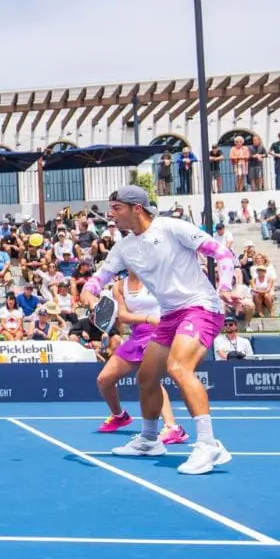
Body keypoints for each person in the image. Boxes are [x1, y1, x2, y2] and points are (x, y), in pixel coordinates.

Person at [81, 186, 240, 475]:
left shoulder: (172, 227)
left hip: (201, 307)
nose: (111, 214)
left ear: (136, 208)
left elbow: (222, 253)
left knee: (178, 367)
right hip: (169, 315)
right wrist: (89, 294)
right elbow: (97, 279)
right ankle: (150, 439)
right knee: (147, 377)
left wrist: (226, 287)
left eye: (116, 208)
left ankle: (208, 445)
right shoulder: (123, 248)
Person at [94, 272, 187, 445]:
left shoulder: (157, 278)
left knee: (150, 379)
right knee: (104, 380)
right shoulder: (119, 286)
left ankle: (172, 427)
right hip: (137, 335)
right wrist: (148, 318)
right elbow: (123, 316)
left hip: (159, 333)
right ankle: (119, 416)